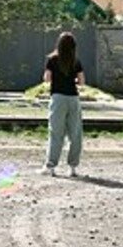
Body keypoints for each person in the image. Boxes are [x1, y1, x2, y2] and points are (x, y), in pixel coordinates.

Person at [41, 31, 84, 178]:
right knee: (75, 134)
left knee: (56, 133)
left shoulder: (51, 60)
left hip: (58, 97)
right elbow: (82, 81)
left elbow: (47, 79)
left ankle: (51, 166)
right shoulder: (76, 61)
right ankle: (73, 167)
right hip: (73, 98)